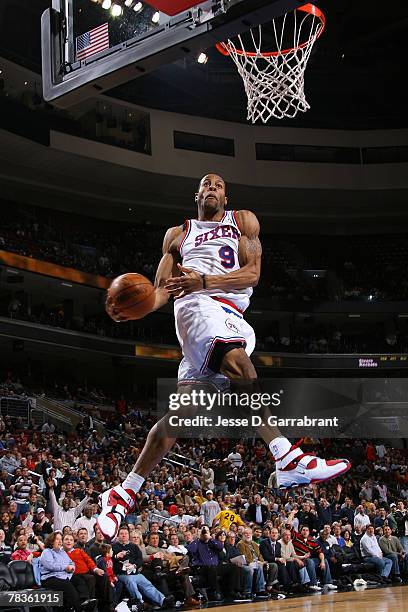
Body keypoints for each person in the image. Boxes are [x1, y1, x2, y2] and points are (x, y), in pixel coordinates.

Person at [98, 174, 351, 540]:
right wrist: (129, 307)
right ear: (197, 194)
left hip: (230, 311)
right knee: (241, 366)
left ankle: (123, 493)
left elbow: (253, 273)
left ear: (225, 195)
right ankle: (285, 455)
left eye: (219, 184)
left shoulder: (243, 221)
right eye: (206, 183)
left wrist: (204, 281)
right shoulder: (177, 234)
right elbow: (158, 293)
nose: (213, 186)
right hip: (196, 309)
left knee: (181, 416)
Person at [112, 526, 174, 609]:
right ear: (118, 535)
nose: (124, 535)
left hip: (135, 571)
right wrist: (123, 566)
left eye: (125, 533)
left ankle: (162, 600)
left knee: (147, 584)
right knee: (131, 581)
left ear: (128, 535)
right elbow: (110, 561)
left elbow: (140, 560)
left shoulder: (134, 546)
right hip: (121, 573)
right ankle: (140, 602)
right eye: (121, 534)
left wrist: (134, 565)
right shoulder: (113, 547)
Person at [39, 532, 92, 612]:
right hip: (49, 578)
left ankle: (84, 601)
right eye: (57, 539)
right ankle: (78, 608)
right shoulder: (47, 552)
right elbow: (50, 565)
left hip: (62, 576)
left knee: (78, 579)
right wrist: (65, 567)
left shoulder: (62, 552)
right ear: (52, 541)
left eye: (61, 539)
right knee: (67, 585)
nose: (60, 541)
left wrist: (72, 568)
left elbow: (71, 562)